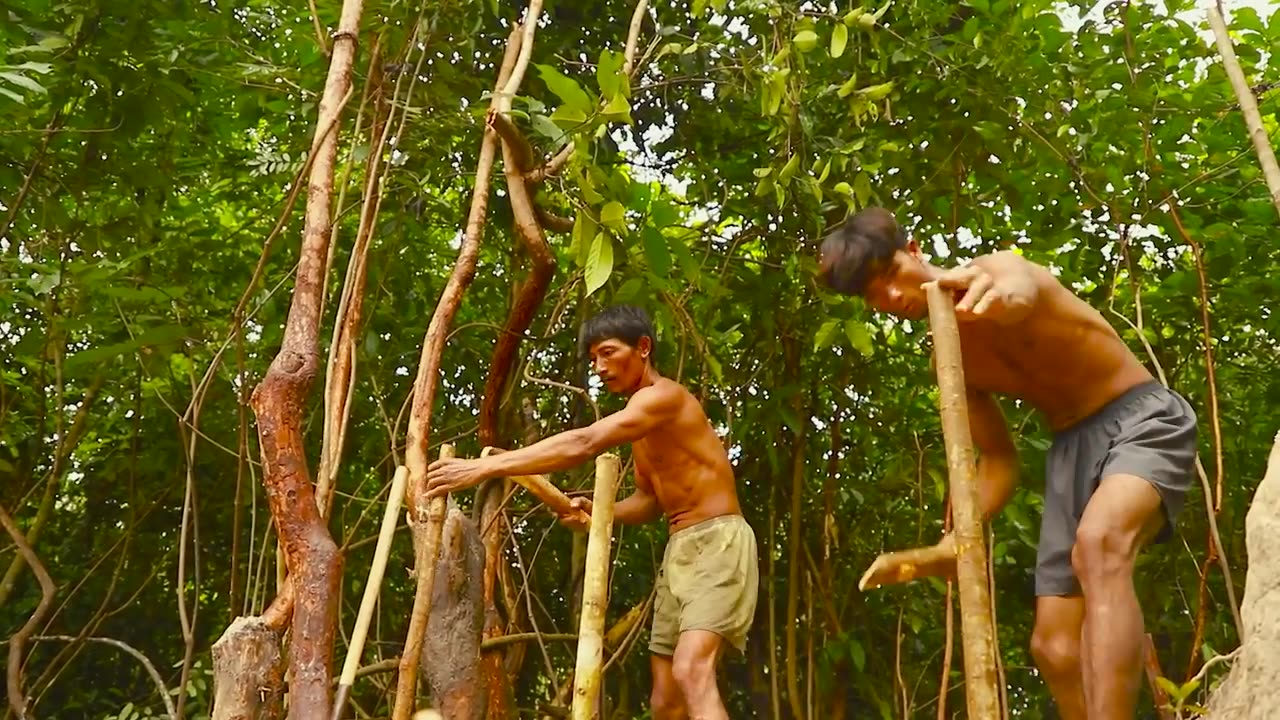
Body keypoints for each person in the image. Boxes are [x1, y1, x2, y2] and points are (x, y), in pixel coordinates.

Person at [817, 207, 1197, 720]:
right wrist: (954, 541)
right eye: (872, 295)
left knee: (1101, 544)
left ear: (913, 252)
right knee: (1053, 646)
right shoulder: (951, 360)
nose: (889, 298)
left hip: (1140, 418)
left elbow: (1019, 295)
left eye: (888, 276)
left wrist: (991, 297)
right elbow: (998, 458)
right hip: (1070, 453)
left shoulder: (994, 270)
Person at [425, 304, 758, 720]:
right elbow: (650, 502)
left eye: (608, 353)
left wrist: (484, 466)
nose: (599, 367)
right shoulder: (642, 425)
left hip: (718, 542)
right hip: (681, 550)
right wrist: (599, 513)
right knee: (666, 701)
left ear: (643, 348)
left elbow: (585, 442)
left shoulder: (664, 398)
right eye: (594, 358)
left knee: (692, 670)